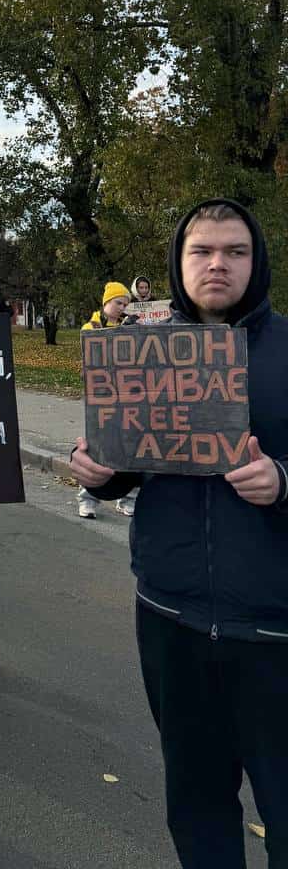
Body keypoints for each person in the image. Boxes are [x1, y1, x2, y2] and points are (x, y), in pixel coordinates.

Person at [70, 199, 288, 869]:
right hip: (170, 619)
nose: (217, 264)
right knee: (197, 809)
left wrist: (283, 481)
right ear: (178, 262)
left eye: (234, 251)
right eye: (202, 251)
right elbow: (133, 468)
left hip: (275, 632)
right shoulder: (139, 352)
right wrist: (101, 475)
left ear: (258, 262)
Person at [78, 282, 133, 519]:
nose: (122, 307)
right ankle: (88, 499)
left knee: (132, 446)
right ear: (106, 302)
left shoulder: (130, 326)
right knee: (97, 449)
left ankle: (128, 498)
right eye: (118, 302)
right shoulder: (91, 327)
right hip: (100, 397)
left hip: (127, 396)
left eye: (125, 304)